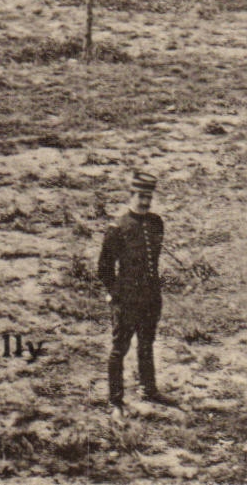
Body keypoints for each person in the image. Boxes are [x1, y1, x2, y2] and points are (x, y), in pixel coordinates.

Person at [98, 170, 171, 419]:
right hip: (127, 299)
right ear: (131, 194)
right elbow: (104, 268)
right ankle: (115, 400)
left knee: (147, 344)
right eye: (141, 195)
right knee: (119, 349)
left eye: (148, 196)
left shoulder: (156, 223)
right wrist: (115, 294)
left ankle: (148, 389)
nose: (145, 201)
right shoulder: (117, 227)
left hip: (151, 296)